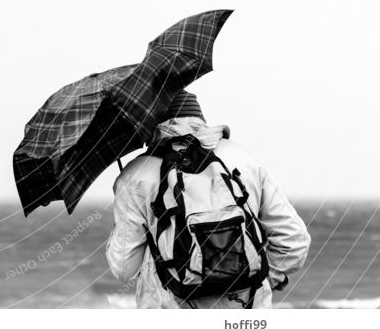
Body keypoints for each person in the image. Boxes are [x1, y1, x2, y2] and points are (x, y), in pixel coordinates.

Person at [105, 90, 311, 308]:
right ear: (199, 117)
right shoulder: (242, 157)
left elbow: (124, 268)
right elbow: (294, 240)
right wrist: (265, 280)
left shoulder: (135, 176)